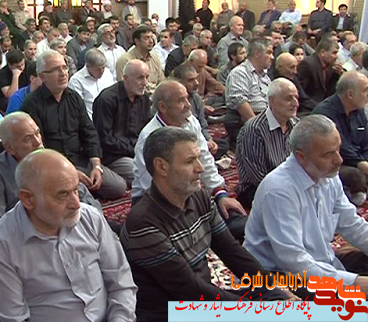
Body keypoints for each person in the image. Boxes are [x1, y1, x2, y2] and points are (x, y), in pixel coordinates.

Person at [121, 127, 288, 321]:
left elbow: (232, 252)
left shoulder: (199, 198)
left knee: (283, 297)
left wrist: (276, 292)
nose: (200, 168)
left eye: (199, 158)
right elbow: (189, 289)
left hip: (202, 303)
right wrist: (258, 311)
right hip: (171, 312)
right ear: (162, 167)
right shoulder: (143, 223)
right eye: (190, 161)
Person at [0, 149, 137, 322]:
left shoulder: (90, 218)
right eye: (63, 195)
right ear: (28, 199)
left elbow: (121, 282)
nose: (76, 204)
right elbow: (13, 319)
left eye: (76, 190)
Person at [244, 115, 368, 299]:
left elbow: (352, 223)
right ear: (301, 157)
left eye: (338, 150)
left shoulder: (328, 175)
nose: (339, 160)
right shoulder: (279, 190)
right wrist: (354, 283)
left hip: (319, 262)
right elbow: (294, 261)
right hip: (280, 275)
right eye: (328, 154)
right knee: (352, 301)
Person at [132, 80, 246, 239]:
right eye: (181, 100)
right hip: (156, 200)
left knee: (233, 220)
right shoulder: (149, 138)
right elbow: (152, 185)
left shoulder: (190, 121)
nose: (188, 105)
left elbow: (204, 158)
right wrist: (195, 206)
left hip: (186, 191)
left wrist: (219, 193)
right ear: (162, 107)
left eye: (187, 98)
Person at [21, 50, 127, 199]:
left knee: (118, 187)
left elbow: (89, 133)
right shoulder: (32, 104)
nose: (63, 73)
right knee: (76, 195)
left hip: (79, 160)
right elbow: (38, 149)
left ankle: (80, 189)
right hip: (52, 167)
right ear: (42, 76)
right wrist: (70, 172)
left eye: (64, 68)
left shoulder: (74, 98)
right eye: (56, 70)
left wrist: (96, 165)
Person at [0, 112, 101, 231]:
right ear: (10, 148)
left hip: (68, 226)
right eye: (28, 138)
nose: (37, 142)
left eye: (37, 133)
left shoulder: (51, 159)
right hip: (26, 234)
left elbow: (87, 200)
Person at [235, 78, 299, 209]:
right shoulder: (254, 129)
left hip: (290, 183)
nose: (295, 103)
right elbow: (258, 177)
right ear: (272, 101)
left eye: (296, 98)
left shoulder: (296, 124)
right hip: (258, 189)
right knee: (291, 205)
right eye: (288, 99)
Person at [312, 71, 368, 204]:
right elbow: (340, 147)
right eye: (365, 90)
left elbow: (366, 141)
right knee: (355, 175)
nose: (367, 95)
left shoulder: (358, 110)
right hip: (335, 162)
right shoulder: (325, 113)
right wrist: (361, 164)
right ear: (350, 94)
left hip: (359, 158)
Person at [93, 60, 151, 185]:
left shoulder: (144, 99)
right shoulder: (107, 99)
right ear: (126, 78)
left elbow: (148, 129)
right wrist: (134, 151)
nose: (145, 83)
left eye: (147, 77)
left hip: (137, 151)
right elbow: (105, 139)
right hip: (114, 155)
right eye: (140, 78)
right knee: (143, 173)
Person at [225, 37, 274, 150]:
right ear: (257, 53)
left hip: (265, 119)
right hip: (245, 121)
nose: (272, 57)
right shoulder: (240, 73)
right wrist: (259, 127)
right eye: (269, 52)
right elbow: (240, 102)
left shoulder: (265, 77)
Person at [172, 63, 229, 160]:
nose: (196, 83)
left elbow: (203, 124)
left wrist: (209, 140)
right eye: (191, 80)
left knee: (222, 144)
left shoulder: (196, 98)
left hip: (198, 137)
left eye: (196, 78)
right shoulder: (172, 101)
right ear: (179, 82)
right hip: (179, 141)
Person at [116, 25, 164, 96]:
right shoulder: (125, 60)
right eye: (146, 38)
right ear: (137, 41)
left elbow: (162, 82)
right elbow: (124, 87)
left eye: (152, 37)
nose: (151, 41)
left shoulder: (154, 57)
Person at [68, 48, 114, 119]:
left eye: (103, 67)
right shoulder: (76, 81)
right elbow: (77, 109)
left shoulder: (107, 73)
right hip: (90, 120)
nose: (102, 71)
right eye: (98, 69)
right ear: (88, 67)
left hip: (110, 117)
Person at [298, 38, 342, 103]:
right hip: (310, 105)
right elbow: (301, 93)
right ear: (322, 52)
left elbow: (331, 91)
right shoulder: (307, 64)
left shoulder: (331, 65)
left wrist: (338, 74)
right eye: (334, 53)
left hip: (325, 103)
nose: (336, 57)